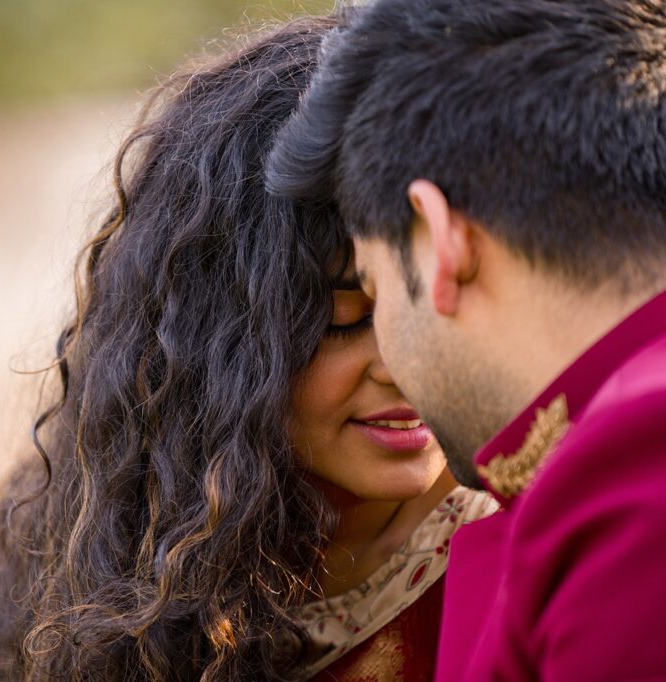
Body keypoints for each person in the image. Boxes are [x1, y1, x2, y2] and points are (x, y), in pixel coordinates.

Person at [0, 16, 494, 682]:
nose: (405, 363)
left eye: (433, 310)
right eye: (347, 319)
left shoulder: (523, 553)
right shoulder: (138, 565)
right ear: (224, 347)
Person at [267, 0, 666, 679]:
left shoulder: (632, 475)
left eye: (375, 282)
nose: (389, 360)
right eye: (340, 321)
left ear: (442, 242)